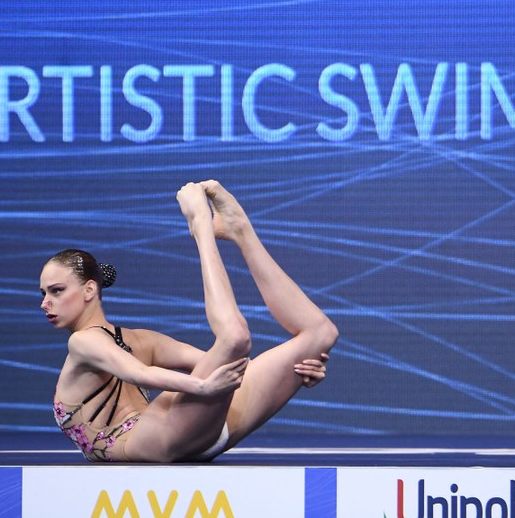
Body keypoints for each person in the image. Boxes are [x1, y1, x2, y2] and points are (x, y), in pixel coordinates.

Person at [40, 180, 338, 462]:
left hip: (175, 435)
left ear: (89, 289)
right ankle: (238, 231)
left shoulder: (84, 340)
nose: (45, 303)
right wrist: (204, 387)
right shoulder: (134, 341)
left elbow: (160, 372)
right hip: (188, 432)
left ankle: (214, 228)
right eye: (44, 293)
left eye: (57, 291)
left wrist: (296, 369)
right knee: (312, 333)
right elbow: (146, 372)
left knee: (301, 337)